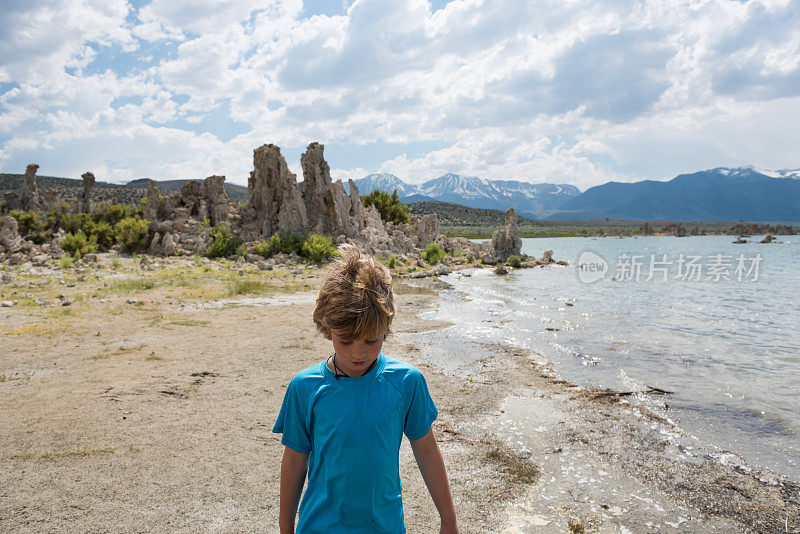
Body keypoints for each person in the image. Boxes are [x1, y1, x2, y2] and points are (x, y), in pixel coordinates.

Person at [273, 243, 458, 534]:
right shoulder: (305, 388)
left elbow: (426, 449)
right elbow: (295, 460)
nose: (357, 354)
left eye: (371, 341)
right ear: (327, 328)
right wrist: (285, 529)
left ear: (386, 329)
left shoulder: (406, 382)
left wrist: (448, 520)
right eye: (345, 340)